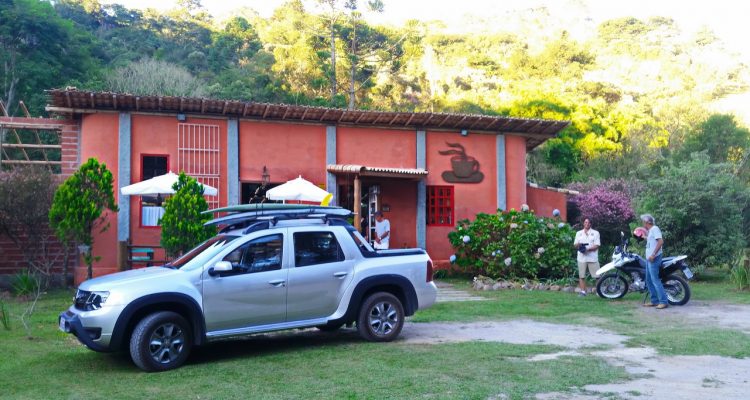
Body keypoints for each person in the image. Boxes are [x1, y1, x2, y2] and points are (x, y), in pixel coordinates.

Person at [641, 214, 668, 309]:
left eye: (643, 222)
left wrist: (653, 255)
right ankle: (654, 301)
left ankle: (663, 302)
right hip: (649, 259)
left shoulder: (655, 228)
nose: (643, 223)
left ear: (647, 222)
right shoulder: (651, 231)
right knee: (649, 280)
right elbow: (652, 241)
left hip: (654, 258)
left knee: (655, 280)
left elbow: (660, 241)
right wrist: (644, 237)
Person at [573, 218, 600, 296]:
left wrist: (587, 249)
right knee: (581, 276)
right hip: (581, 258)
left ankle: (599, 292)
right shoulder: (579, 233)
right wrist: (579, 245)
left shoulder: (596, 233)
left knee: (597, 276)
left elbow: (597, 245)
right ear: (583, 223)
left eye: (588, 222)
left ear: (590, 224)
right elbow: (575, 245)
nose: (587, 224)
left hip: (592, 258)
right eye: (585, 222)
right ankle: (583, 292)